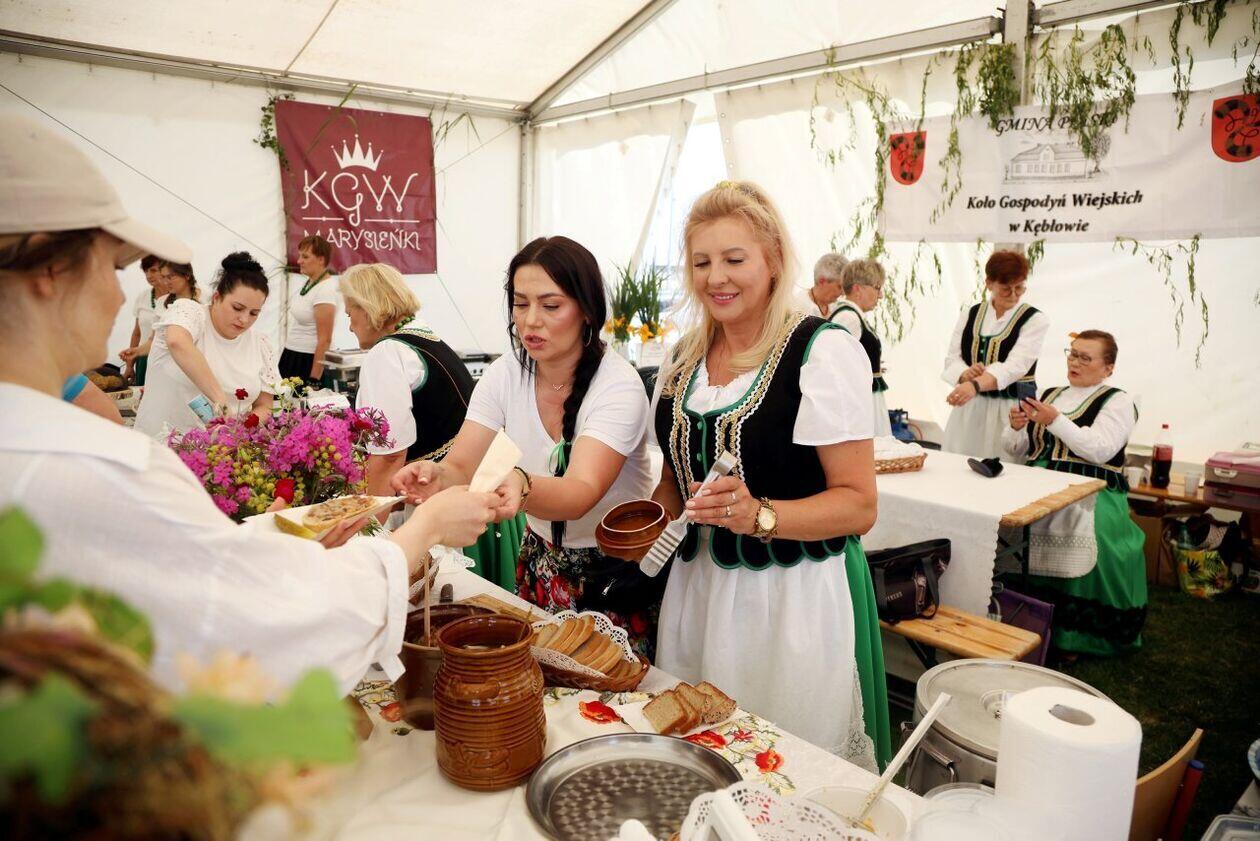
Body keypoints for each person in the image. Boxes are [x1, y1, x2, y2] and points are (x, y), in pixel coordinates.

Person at [0, 112, 498, 695]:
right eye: (112, 268)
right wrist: (425, 528)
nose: (120, 294)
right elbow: (264, 628)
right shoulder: (104, 470)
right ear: (49, 270)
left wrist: (272, 541)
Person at [648, 180, 888, 769]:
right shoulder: (682, 359)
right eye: (702, 262)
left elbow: (859, 505)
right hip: (698, 591)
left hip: (790, 601)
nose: (716, 278)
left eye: (734, 259)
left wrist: (759, 515)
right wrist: (650, 523)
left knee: (783, 769)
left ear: (774, 260)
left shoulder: (822, 352)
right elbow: (676, 483)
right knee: (699, 761)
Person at [392, 236, 659, 655]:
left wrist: (522, 481)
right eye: (520, 304)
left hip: (612, 572)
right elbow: (461, 466)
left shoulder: (617, 386)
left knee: (609, 688)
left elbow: (579, 493)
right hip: (540, 557)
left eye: (551, 306)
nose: (531, 320)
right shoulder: (506, 374)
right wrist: (434, 475)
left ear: (587, 310)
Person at [342, 262, 524, 589]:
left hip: (450, 506)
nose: (350, 324)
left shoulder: (387, 354)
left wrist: (368, 533)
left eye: (350, 312)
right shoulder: (426, 338)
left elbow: (389, 456)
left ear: (368, 308)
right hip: (480, 489)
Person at [1002, 330, 1147, 655]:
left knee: (1092, 535)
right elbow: (1016, 449)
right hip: (1037, 481)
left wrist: (1055, 420)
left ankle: (1074, 635)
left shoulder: (1118, 401)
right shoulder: (1050, 394)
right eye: (1072, 353)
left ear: (1108, 368)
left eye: (1085, 357)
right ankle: (1020, 616)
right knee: (1009, 524)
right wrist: (1016, 427)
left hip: (1091, 487)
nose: (1075, 362)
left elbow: (1099, 449)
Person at [133, 253, 281, 437]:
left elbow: (265, 405)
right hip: (162, 443)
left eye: (254, 313)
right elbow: (177, 342)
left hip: (220, 449)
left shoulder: (260, 344)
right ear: (216, 297)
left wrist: (239, 430)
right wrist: (221, 402)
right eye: (237, 308)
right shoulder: (189, 312)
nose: (244, 319)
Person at [941, 250, 1048, 459]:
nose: (1014, 295)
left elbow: (1015, 366)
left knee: (1005, 465)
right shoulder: (971, 313)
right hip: (972, 406)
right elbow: (952, 358)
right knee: (961, 461)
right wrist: (965, 374)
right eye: (1006, 289)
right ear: (989, 283)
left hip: (1012, 409)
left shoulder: (1035, 319)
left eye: (1020, 288)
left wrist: (975, 384)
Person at [832, 258, 891, 437]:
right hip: (859, 402)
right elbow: (834, 365)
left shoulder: (854, 316)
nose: (881, 295)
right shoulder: (848, 318)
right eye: (877, 288)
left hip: (865, 398)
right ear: (858, 289)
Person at [119, 260, 199, 380]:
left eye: (170, 277)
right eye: (164, 277)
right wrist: (137, 351)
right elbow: (154, 340)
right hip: (166, 369)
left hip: (194, 366)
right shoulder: (162, 302)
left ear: (187, 276)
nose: (166, 282)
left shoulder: (206, 298)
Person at [279, 234, 337, 386]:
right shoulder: (310, 283)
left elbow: (325, 340)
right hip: (293, 354)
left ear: (321, 259)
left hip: (307, 360)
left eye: (305, 257)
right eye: (300, 256)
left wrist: (314, 379)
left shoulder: (326, 290)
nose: (299, 261)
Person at [120, 254, 166, 384]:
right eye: (146, 271)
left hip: (168, 359)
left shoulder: (177, 297)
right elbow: (137, 333)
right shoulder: (142, 297)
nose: (149, 275)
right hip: (143, 359)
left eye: (153, 270)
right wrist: (129, 366)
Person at [796, 251, 848, 317]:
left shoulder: (840, 306)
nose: (843, 293)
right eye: (839, 287)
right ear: (822, 281)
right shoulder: (798, 307)